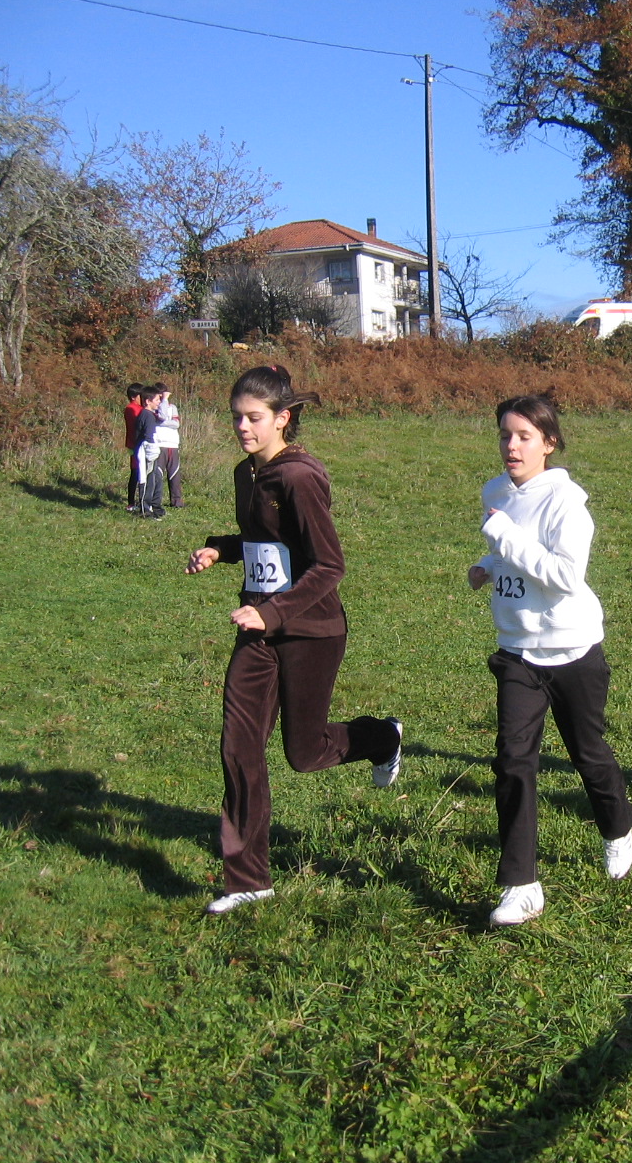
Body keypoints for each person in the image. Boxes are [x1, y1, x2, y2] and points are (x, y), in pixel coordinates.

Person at [185, 365, 403, 916]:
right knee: (238, 747)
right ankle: (248, 879)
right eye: (236, 417)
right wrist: (219, 549)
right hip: (257, 632)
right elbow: (264, 541)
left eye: (253, 417)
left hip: (311, 630)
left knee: (305, 754)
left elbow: (329, 565)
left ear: (282, 418)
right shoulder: (246, 473)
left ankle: (382, 738)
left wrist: (273, 613)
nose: (242, 427)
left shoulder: (300, 477)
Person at [468, 394, 632, 927]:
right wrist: (487, 564)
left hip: (573, 649)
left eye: (524, 436)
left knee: (588, 753)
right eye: (505, 435)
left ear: (549, 443)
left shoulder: (567, 504)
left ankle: (617, 828)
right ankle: (521, 885)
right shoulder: (495, 492)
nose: (511, 446)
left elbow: (564, 576)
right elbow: (509, 552)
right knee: (513, 761)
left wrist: (503, 537)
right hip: (518, 652)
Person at [132, 385, 165, 520]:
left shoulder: (150, 415)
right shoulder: (147, 415)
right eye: (157, 400)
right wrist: (152, 451)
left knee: (156, 479)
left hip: (151, 452)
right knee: (147, 480)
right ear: (148, 401)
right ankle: (144, 509)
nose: (159, 402)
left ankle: (154, 507)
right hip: (145, 452)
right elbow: (148, 436)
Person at [154, 381, 184, 508]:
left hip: (173, 444)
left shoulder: (173, 407)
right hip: (159, 444)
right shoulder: (154, 407)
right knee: (158, 473)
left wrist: (163, 422)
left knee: (174, 474)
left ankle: (176, 501)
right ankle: (156, 501)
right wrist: (164, 402)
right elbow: (161, 416)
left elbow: (176, 424)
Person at [123, 383, 144, 511]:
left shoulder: (139, 408)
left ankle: (139, 500)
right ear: (133, 397)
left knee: (139, 472)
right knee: (136, 472)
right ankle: (131, 503)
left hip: (137, 444)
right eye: (140, 396)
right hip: (135, 444)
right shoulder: (131, 409)